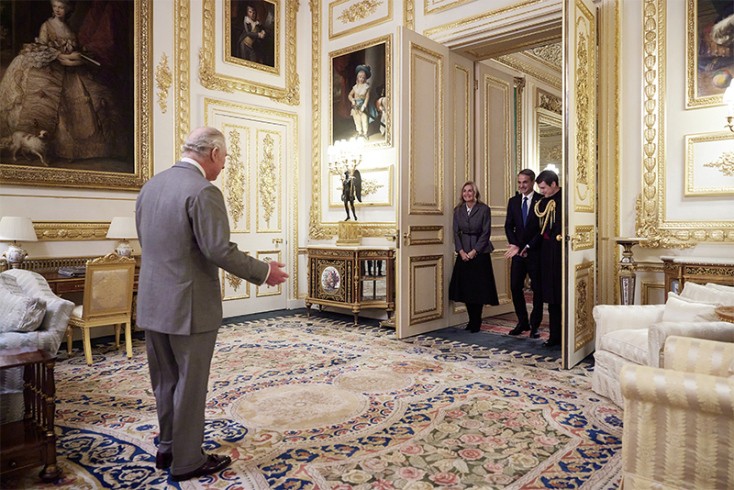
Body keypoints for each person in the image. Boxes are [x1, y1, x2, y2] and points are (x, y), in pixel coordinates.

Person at [135, 127, 288, 482]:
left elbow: (150, 243)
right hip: (189, 306)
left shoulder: (150, 186)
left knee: (165, 381)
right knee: (190, 384)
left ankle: (168, 447)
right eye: (225, 158)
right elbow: (218, 249)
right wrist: (264, 271)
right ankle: (188, 461)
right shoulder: (203, 190)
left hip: (153, 302)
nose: (224, 165)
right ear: (214, 154)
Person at [0, 0, 126, 162]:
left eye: (61, 7)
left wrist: (77, 57)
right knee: (49, 104)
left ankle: (77, 150)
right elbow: (43, 49)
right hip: (51, 69)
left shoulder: (70, 29)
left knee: (83, 103)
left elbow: (73, 51)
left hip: (71, 72)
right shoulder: (47, 26)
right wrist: (63, 57)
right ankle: (44, 147)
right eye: (55, 6)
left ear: (68, 9)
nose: (57, 10)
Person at [448, 181, 499, 332]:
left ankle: (477, 321)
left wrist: (474, 251)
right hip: (463, 253)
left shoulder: (484, 209)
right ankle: (471, 320)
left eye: (470, 191)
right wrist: (461, 251)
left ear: (475, 193)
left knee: (478, 290)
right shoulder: (458, 210)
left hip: (480, 253)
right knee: (466, 289)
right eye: (464, 191)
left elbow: (486, 233)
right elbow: (456, 232)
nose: (467, 194)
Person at [504, 169, 544, 339]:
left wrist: (527, 246)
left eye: (525, 182)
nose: (521, 186)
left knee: (537, 290)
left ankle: (535, 325)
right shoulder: (513, 201)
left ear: (533, 182)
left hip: (535, 252)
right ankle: (522, 322)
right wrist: (516, 246)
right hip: (518, 254)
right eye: (519, 182)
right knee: (515, 287)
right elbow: (508, 226)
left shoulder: (542, 200)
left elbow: (542, 229)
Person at [532, 170, 563, 348]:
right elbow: (538, 229)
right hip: (546, 254)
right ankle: (554, 336)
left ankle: (568, 336)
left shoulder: (565, 200)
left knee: (561, 297)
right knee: (551, 298)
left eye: (543, 188)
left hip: (561, 255)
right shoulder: (542, 202)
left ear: (553, 184)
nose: (541, 191)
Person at [348, 65, 379, 139]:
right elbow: (349, 95)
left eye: (363, 77)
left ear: (365, 79)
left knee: (364, 119)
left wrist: (364, 106)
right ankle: (359, 132)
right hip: (356, 106)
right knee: (357, 119)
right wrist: (352, 100)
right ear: (357, 78)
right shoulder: (355, 87)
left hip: (363, 106)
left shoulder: (366, 87)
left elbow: (367, 97)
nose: (361, 79)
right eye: (360, 77)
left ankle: (365, 133)